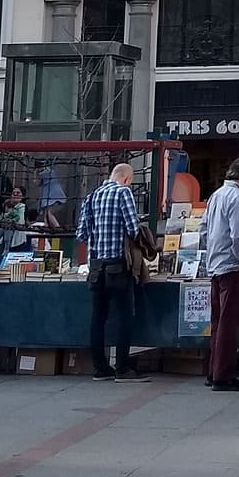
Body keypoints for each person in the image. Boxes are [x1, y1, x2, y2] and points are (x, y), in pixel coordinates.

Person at [79, 162, 151, 384]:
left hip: (96, 265)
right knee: (124, 316)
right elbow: (132, 227)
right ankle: (122, 368)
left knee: (98, 317)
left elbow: (82, 234)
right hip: (119, 265)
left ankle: (100, 368)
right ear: (127, 178)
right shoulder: (123, 193)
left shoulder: (92, 196)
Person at [202, 155, 239, 392]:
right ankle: (223, 375)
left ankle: (214, 370)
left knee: (217, 322)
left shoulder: (217, 195)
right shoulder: (238, 198)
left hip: (216, 264)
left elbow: (204, 229)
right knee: (229, 323)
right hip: (232, 267)